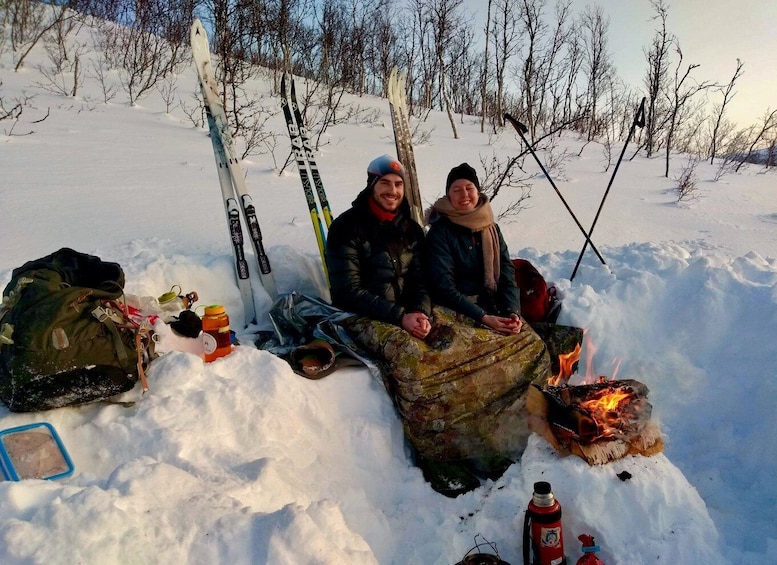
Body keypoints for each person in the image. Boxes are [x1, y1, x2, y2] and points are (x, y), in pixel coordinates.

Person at [325, 154, 432, 340]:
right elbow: (347, 291)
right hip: (361, 316)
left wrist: (420, 311)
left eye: (398, 184)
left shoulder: (411, 228)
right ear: (371, 185)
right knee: (415, 356)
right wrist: (399, 316)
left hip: (407, 313)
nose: (393, 190)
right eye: (385, 183)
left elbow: (420, 280)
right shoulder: (346, 227)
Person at [426, 162, 523, 335]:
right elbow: (443, 287)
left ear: (477, 191)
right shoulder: (440, 231)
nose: (464, 194)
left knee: (531, 342)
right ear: (448, 196)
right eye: (456, 190)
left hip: (490, 303)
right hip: (454, 309)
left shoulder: (491, 228)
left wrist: (512, 312)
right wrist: (483, 317)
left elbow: (507, 275)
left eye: (469, 188)